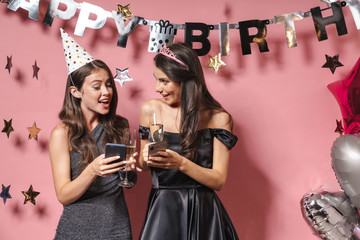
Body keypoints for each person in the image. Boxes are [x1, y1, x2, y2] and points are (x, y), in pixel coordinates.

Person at [138, 43, 239, 240]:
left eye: (164, 81)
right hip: (163, 210)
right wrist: (144, 158)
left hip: (204, 213)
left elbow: (218, 180)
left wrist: (181, 163)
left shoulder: (218, 118)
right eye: (156, 80)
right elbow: (144, 166)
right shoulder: (152, 110)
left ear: (185, 80)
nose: (157, 88)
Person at [49, 29, 137, 240]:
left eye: (108, 84)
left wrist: (130, 170)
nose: (106, 91)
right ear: (76, 92)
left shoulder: (120, 125)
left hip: (117, 230)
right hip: (75, 232)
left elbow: (127, 182)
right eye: (96, 86)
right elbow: (64, 195)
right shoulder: (62, 134)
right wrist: (92, 170)